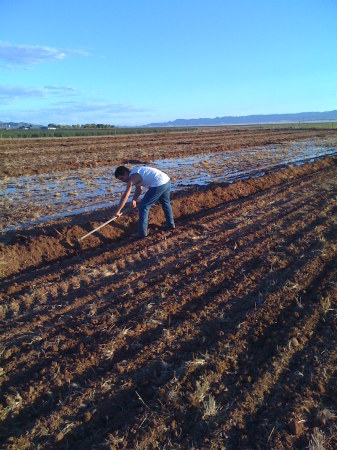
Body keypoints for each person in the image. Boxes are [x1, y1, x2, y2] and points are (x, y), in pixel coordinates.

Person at [114, 165, 175, 238]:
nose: (123, 181)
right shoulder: (136, 173)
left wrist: (118, 211)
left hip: (158, 184)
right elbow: (139, 189)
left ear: (125, 172)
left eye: (122, 178)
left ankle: (142, 233)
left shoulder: (132, 178)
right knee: (165, 203)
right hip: (166, 181)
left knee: (143, 206)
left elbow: (125, 195)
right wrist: (134, 199)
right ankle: (170, 225)